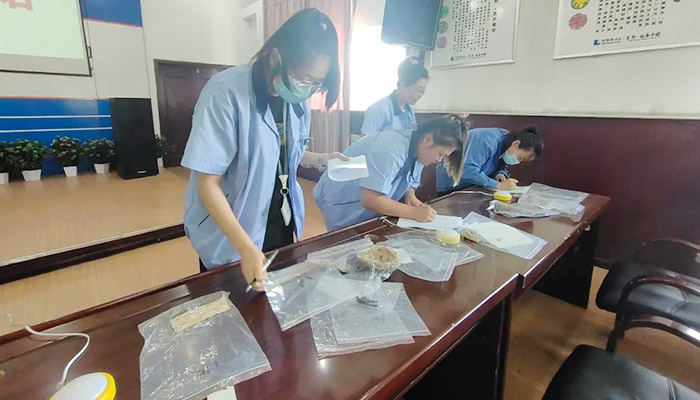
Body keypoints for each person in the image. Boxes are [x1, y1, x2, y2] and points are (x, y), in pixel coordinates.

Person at [181, 8, 347, 290]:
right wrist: (245, 248)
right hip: (231, 228)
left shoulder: (297, 100)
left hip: (278, 217)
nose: (307, 88)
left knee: (276, 299)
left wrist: (321, 159)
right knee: (231, 302)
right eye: (302, 77)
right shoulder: (225, 92)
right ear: (275, 57)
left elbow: (280, 153)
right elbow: (207, 182)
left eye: (316, 83)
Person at [314, 115, 469, 231]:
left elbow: (409, 180)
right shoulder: (390, 148)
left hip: (368, 199)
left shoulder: (419, 149)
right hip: (342, 198)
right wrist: (414, 212)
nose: (439, 160)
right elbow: (370, 199)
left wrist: (410, 196)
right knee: (345, 245)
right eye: (440, 154)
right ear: (428, 139)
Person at [435, 126, 543, 195]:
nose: (518, 162)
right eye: (520, 158)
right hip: (452, 188)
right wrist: (497, 185)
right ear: (516, 144)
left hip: (473, 188)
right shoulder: (486, 140)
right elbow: (467, 169)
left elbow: (500, 164)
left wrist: (500, 176)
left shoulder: (507, 141)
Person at [360, 57, 429, 136]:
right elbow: (365, 141)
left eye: (423, 91)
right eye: (418, 89)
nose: (420, 95)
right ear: (403, 84)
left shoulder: (409, 111)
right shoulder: (378, 110)